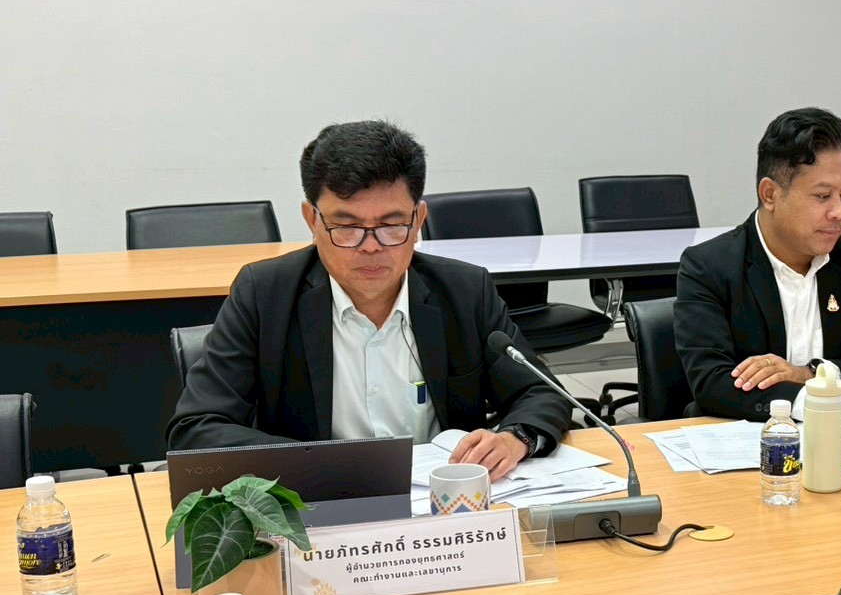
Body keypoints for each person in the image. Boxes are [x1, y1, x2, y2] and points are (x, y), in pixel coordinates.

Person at [168, 120, 570, 479]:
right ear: (312, 220)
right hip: (318, 503)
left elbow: (541, 392)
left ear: (418, 220)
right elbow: (197, 429)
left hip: (446, 508)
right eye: (347, 227)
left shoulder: (464, 290)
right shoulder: (265, 294)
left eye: (392, 225)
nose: (371, 247)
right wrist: (323, 465)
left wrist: (516, 438)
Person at [674, 107, 841, 423]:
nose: (839, 212)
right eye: (822, 196)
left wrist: (810, 373)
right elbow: (712, 384)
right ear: (770, 194)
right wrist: (831, 404)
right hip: (750, 438)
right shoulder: (709, 266)